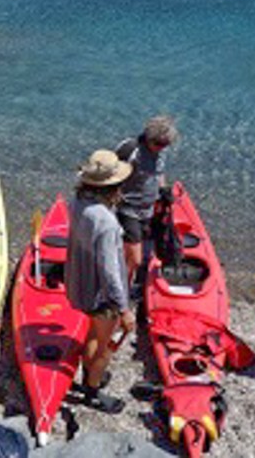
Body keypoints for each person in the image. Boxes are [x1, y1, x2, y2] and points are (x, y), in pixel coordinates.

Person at [65, 149, 136, 413]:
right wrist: (124, 308)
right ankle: (92, 392)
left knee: (94, 333)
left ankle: (89, 376)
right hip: (102, 293)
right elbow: (110, 270)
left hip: (80, 283)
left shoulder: (77, 202)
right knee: (104, 344)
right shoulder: (105, 222)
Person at [115, 115, 179, 291]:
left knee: (140, 255)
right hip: (128, 209)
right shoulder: (130, 150)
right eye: (159, 144)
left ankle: (128, 283)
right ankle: (121, 293)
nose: (162, 148)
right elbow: (113, 175)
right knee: (135, 258)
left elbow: (159, 174)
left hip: (149, 209)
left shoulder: (160, 151)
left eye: (165, 145)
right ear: (149, 138)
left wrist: (164, 190)